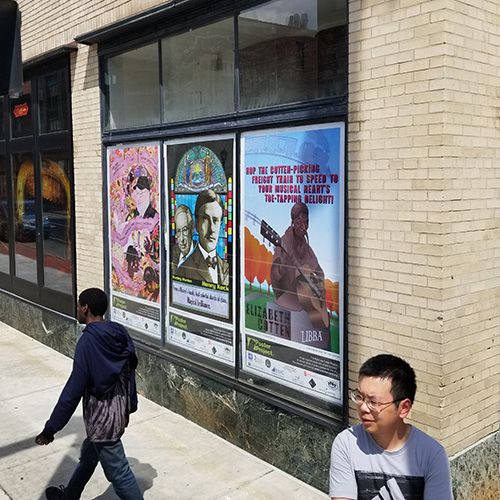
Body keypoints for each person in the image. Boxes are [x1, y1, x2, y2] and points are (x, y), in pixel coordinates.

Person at [35, 288, 143, 500]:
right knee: (89, 455)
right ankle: (70, 495)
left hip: (102, 420)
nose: (77, 309)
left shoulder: (88, 342)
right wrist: (129, 405)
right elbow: (130, 371)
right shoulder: (119, 332)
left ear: (85, 308)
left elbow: (73, 390)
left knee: (120, 473)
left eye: (78, 305)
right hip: (118, 413)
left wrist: (51, 428)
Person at [329, 354, 453, 500]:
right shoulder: (346, 443)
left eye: (374, 402)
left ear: (404, 408)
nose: (363, 407)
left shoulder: (432, 455)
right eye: (360, 397)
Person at [270, 202, 327, 329]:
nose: (304, 226)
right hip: (288, 298)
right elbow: (275, 274)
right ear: (293, 221)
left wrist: (318, 289)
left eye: (306, 222)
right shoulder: (284, 242)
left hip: (305, 302)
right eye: (300, 222)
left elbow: (320, 272)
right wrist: (282, 266)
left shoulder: (306, 248)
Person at [177, 189, 229, 285]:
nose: (212, 229)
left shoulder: (227, 268)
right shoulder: (184, 269)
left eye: (215, 220)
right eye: (205, 219)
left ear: (221, 226)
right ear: (197, 223)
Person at [172, 204, 194, 270]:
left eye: (185, 230)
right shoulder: (172, 252)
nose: (181, 239)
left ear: (192, 229)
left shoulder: (201, 255)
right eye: (178, 231)